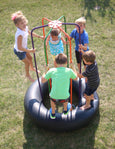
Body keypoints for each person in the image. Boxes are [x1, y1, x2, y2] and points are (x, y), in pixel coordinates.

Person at [41, 53, 78, 119]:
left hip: (54, 95)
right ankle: (65, 110)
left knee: (52, 101)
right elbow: (76, 78)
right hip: (65, 95)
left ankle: (52, 113)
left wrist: (45, 70)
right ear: (66, 62)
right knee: (65, 100)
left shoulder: (52, 71)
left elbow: (42, 80)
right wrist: (73, 67)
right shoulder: (69, 71)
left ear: (55, 63)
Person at [11, 11, 44, 82]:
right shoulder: (19, 34)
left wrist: (39, 36)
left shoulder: (25, 28)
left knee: (30, 58)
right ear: (17, 25)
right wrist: (30, 51)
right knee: (27, 62)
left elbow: (30, 32)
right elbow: (19, 47)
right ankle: (27, 75)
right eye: (21, 23)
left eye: (24, 21)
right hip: (19, 51)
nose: (24, 24)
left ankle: (32, 68)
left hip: (24, 48)